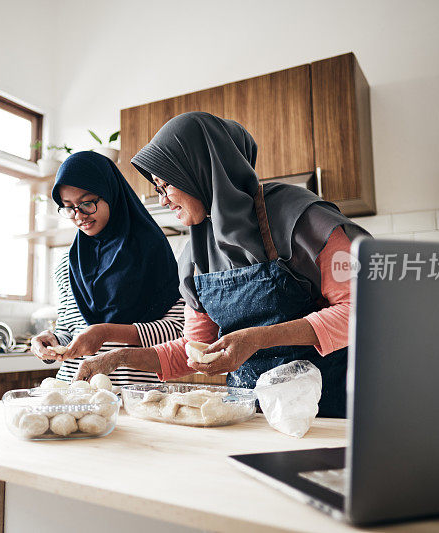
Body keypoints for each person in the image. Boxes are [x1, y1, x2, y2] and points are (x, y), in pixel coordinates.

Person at [74, 112, 369, 417]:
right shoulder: (194, 256)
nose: (162, 200)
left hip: (330, 413)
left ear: (199, 170)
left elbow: (362, 310)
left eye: (165, 186)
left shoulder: (300, 218)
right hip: (250, 418)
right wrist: (116, 358)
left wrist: (258, 339)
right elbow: (193, 348)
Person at [30, 151, 185, 386]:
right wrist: (51, 341)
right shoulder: (67, 264)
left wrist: (105, 332)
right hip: (77, 394)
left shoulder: (151, 251)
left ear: (111, 194)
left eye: (87, 203)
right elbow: (69, 329)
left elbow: (177, 331)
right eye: (68, 207)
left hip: (134, 396)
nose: (78, 216)